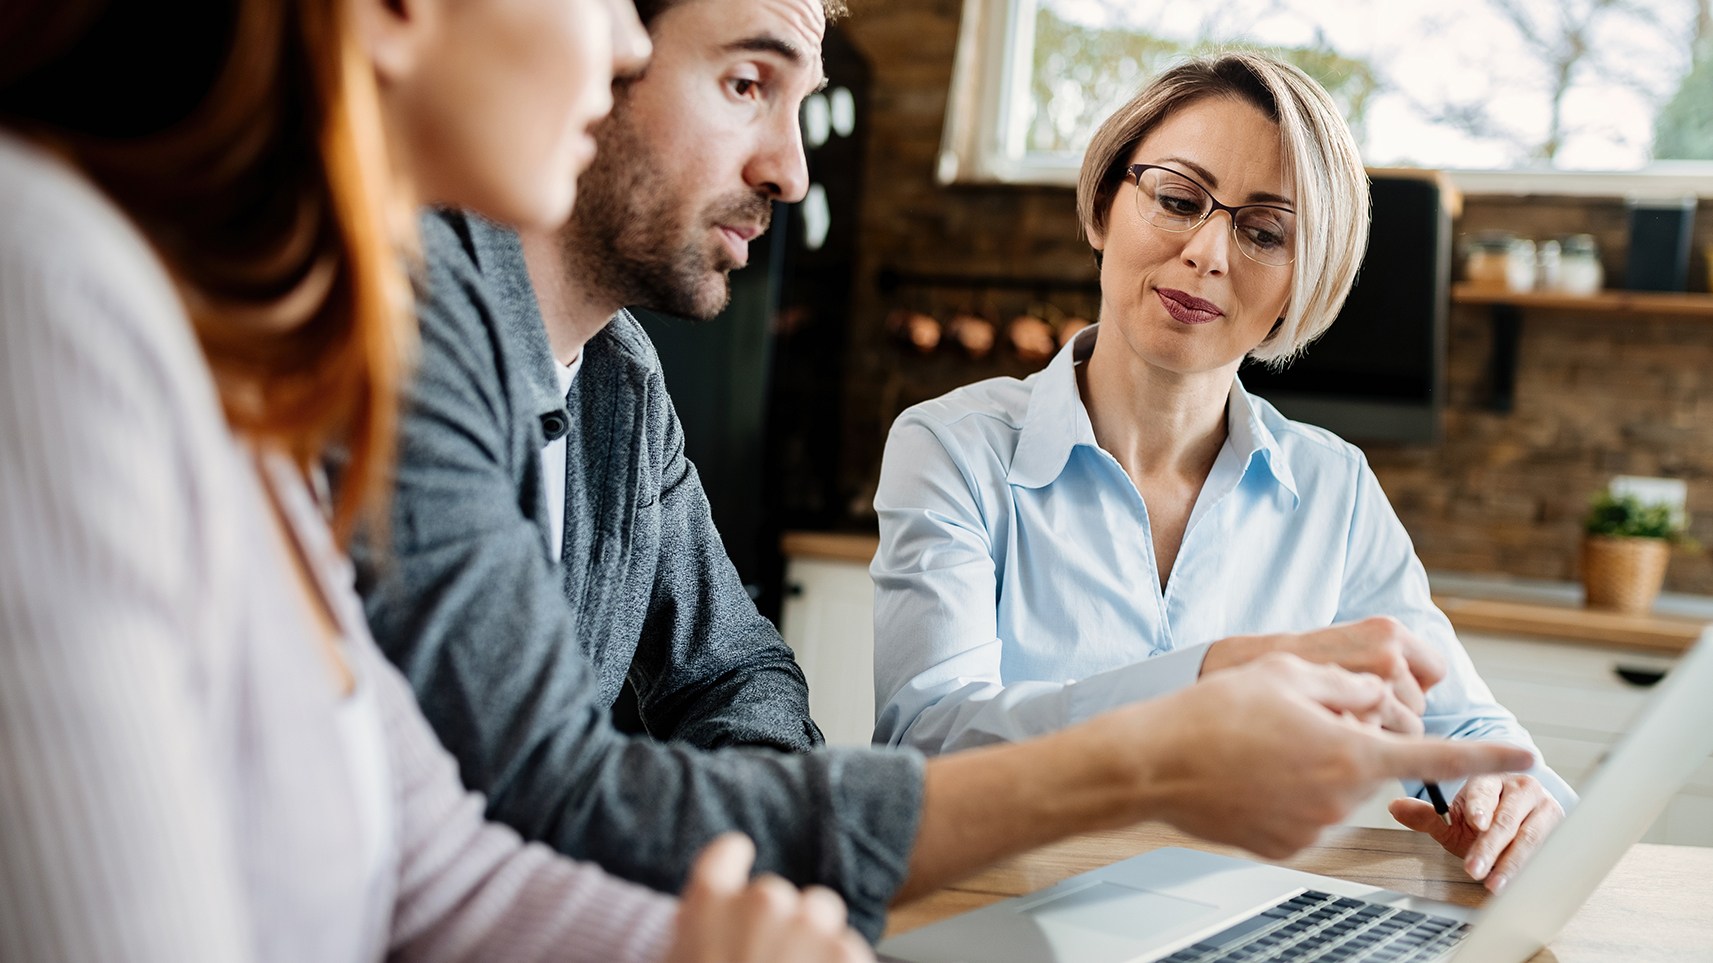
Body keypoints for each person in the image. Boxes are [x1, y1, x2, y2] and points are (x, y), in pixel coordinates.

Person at [354, 0, 1540, 940]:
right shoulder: (411, 315)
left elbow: (736, 678)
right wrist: (1169, 735)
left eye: (1266, 229)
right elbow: (539, 794)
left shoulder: (618, 378)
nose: (791, 172)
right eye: (743, 83)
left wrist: (780, 870)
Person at [0, 0, 872, 960]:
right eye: (745, 84)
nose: (625, 46)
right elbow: (537, 789)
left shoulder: (226, 361)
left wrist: (701, 937)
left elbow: (442, 871)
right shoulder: (58, 296)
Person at [870, 52, 1572, 896]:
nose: (1206, 252)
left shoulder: (1333, 489)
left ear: (1298, 285)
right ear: (1104, 206)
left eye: (1265, 231)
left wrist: (1504, 798)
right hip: (1009, 912)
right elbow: (926, 743)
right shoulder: (951, 448)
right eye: (1175, 199)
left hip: (1246, 917)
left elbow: (1459, 720)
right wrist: (1202, 682)